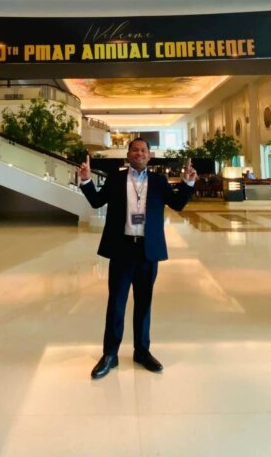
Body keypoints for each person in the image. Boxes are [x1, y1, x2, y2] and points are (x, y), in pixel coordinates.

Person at [78, 138, 196, 379]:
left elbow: (178, 204)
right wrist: (86, 180)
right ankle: (110, 354)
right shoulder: (117, 179)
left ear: (149, 156)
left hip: (147, 251)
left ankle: (142, 352)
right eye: (135, 150)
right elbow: (96, 201)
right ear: (128, 154)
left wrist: (188, 183)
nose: (139, 153)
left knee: (144, 304)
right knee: (116, 304)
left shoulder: (159, 182)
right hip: (122, 249)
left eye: (143, 150)